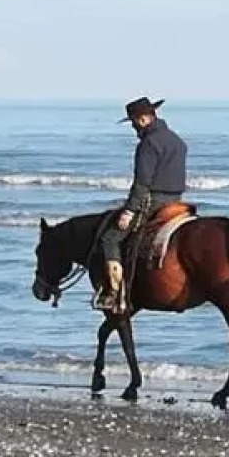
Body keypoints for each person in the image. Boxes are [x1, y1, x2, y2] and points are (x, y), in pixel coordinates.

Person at [97, 97, 188, 311]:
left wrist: (129, 211)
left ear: (145, 119)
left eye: (134, 122)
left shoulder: (149, 143)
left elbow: (142, 183)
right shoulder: (177, 140)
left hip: (154, 202)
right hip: (177, 201)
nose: (133, 127)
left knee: (110, 238)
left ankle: (116, 294)